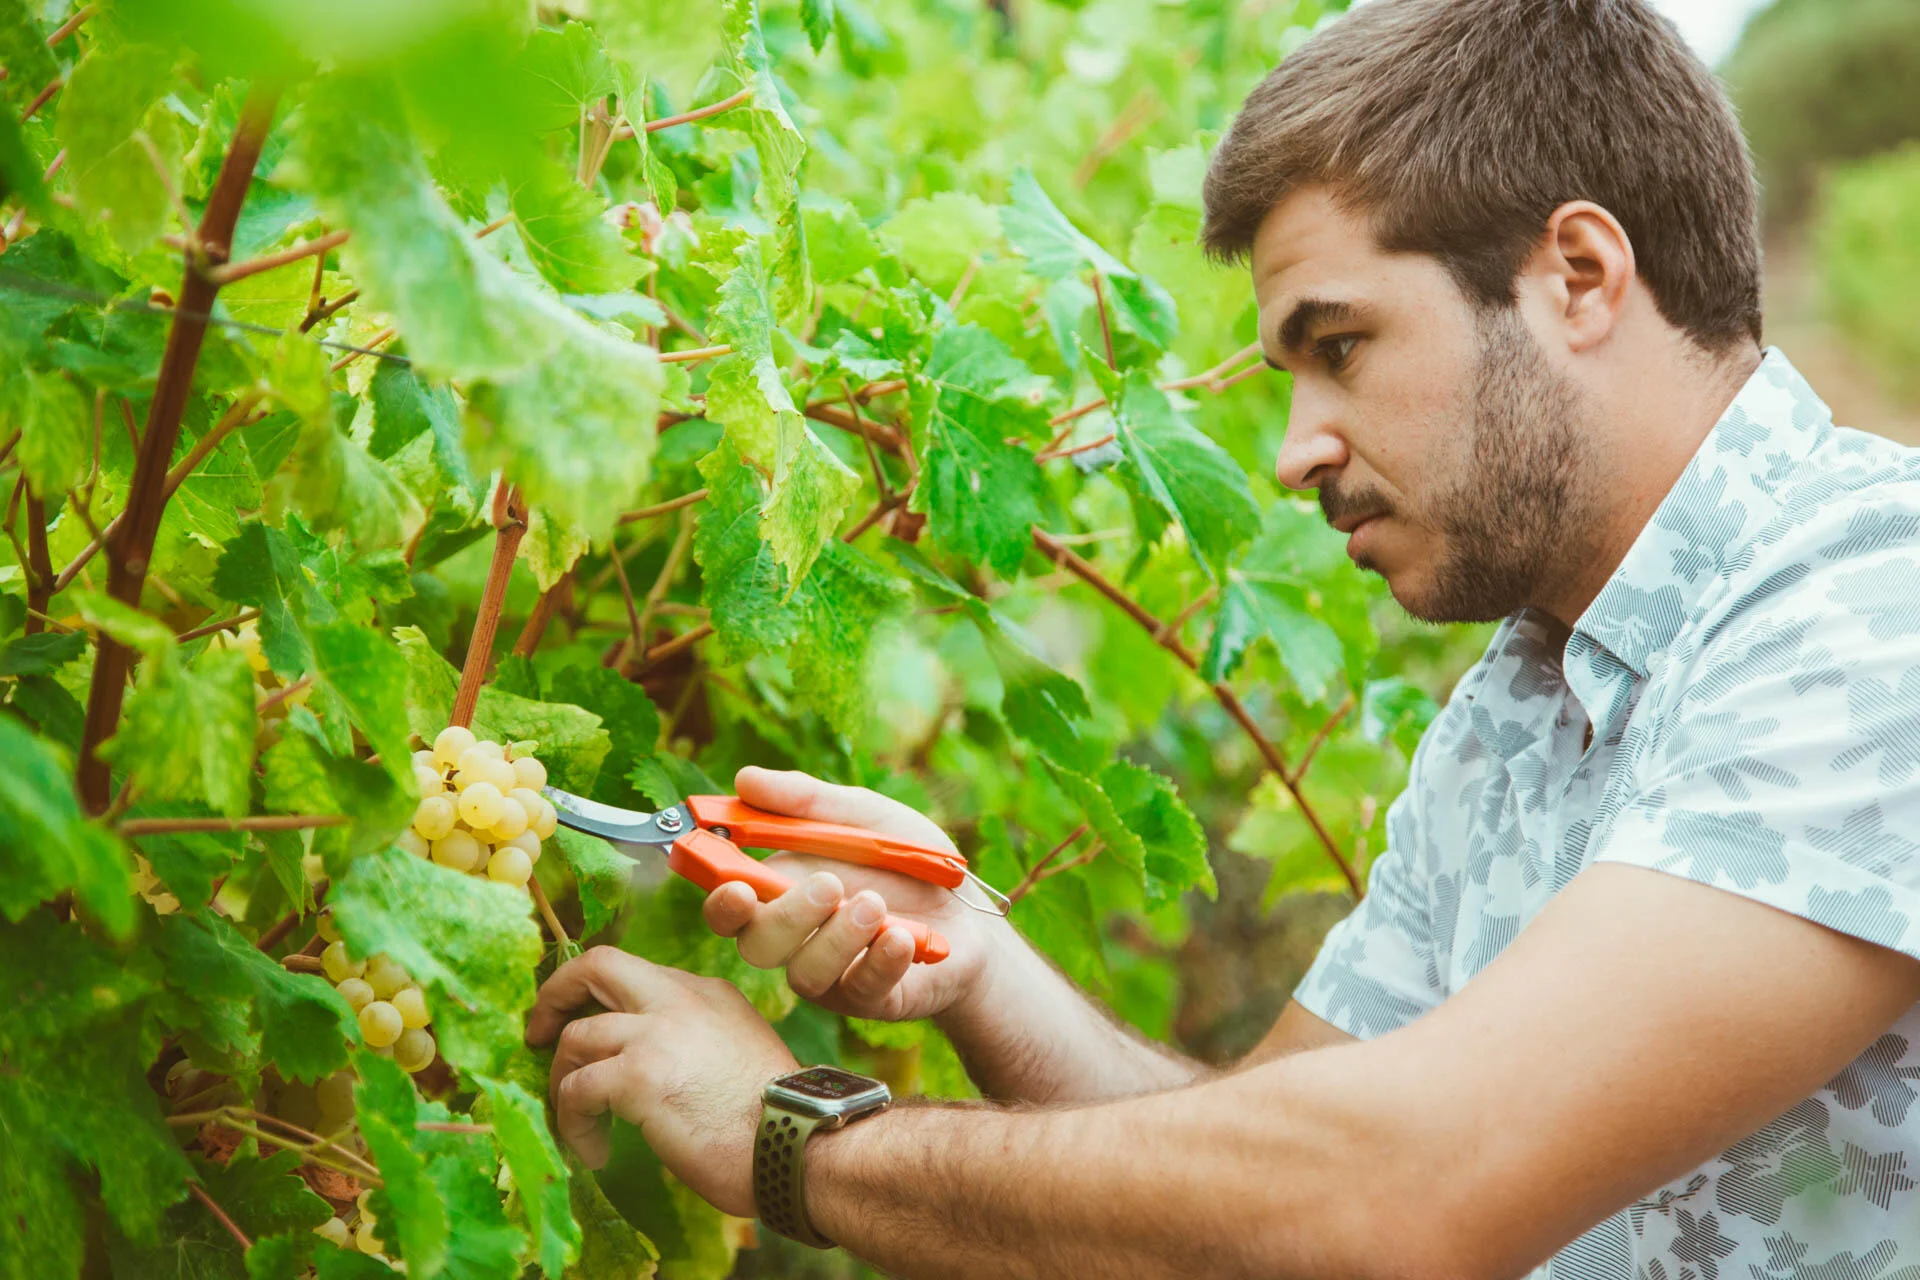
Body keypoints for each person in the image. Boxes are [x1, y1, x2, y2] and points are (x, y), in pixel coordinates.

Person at [525, 0, 1920, 1274]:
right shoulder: (1522, 702)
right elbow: (1254, 1171)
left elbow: (1393, 1196)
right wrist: (986, 970)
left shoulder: (1877, 601)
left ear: (1577, 274)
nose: (1298, 452)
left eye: (1342, 344)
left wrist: (798, 1148)